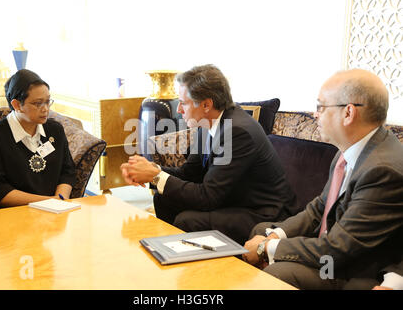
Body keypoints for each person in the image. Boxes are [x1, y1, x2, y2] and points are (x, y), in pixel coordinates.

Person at [242, 69, 403, 290]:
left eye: (321, 107)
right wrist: (275, 235)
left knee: (277, 274)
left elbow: (337, 249)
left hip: (351, 267)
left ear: (348, 113)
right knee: (261, 231)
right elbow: (319, 208)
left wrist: (268, 248)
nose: (315, 115)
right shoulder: (348, 150)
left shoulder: (382, 170)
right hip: (331, 251)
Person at [120, 64, 297, 244]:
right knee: (164, 197)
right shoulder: (207, 123)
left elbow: (208, 197)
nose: (179, 110)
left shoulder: (237, 132)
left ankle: (201, 266)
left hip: (262, 212)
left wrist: (157, 177)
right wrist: (152, 172)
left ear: (206, 104)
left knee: (187, 221)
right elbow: (190, 173)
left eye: (183, 103)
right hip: (231, 199)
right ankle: (172, 252)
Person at [0, 69, 76, 211]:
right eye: (38, 103)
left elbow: (67, 171)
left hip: (53, 211)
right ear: (16, 105)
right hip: (7, 214)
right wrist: (49, 201)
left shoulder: (55, 131)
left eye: (47, 101)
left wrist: (61, 200)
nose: (45, 109)